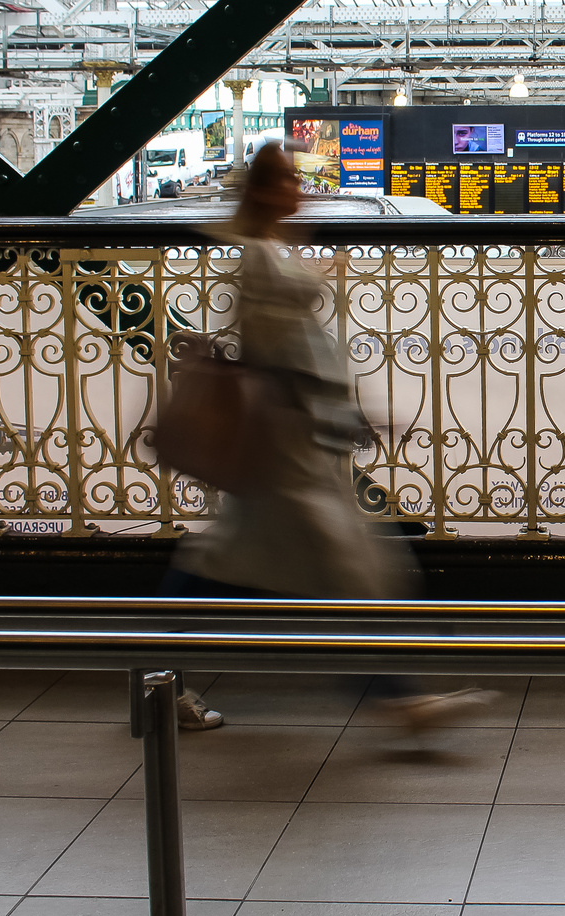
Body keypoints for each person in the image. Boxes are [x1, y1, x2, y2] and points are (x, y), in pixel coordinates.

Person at [162, 143, 492, 731]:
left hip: (293, 441)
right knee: (342, 572)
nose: (302, 187)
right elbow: (282, 350)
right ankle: (401, 700)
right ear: (267, 190)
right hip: (287, 444)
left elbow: (293, 344)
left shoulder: (268, 249)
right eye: (290, 179)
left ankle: (152, 672)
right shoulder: (261, 256)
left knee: (237, 564)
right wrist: (340, 408)